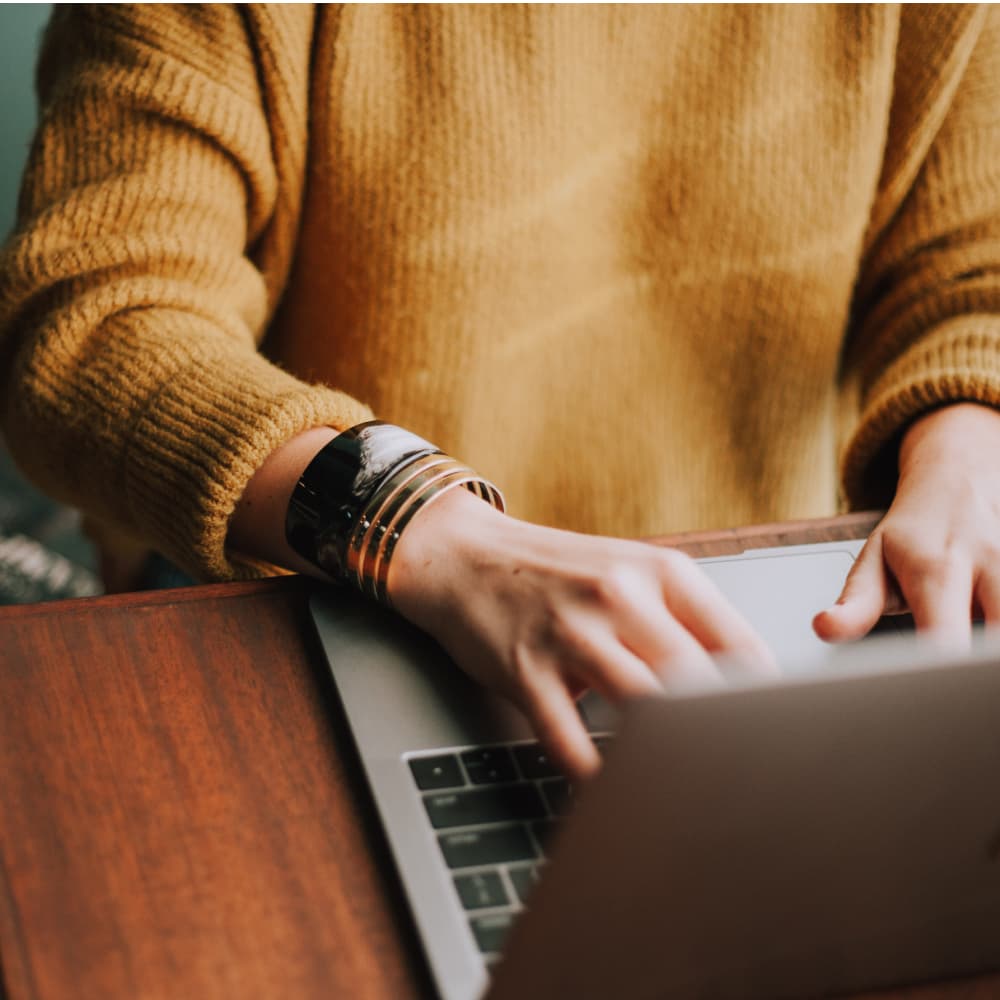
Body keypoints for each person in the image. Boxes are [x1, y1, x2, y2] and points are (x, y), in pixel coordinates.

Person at [2, 5, 1000, 780]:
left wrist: (968, 447)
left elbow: (973, 274)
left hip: (773, 619)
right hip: (329, 601)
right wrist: (427, 533)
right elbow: (95, 319)